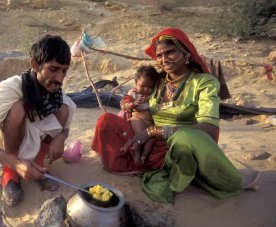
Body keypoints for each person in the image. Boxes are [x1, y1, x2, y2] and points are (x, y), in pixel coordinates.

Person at [91, 27, 260, 203]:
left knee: (183, 137)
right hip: (149, 141)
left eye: (170, 52)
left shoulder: (204, 83)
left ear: (185, 52)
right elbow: (137, 99)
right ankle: (136, 165)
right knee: (106, 120)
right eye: (159, 56)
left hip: (182, 146)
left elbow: (209, 130)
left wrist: (157, 131)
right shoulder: (158, 81)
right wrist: (131, 109)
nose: (164, 59)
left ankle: (175, 170)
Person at [0, 35, 76, 206]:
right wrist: (15, 162)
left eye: (64, 70)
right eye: (53, 69)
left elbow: (66, 127)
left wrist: (60, 137)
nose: (60, 78)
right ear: (35, 65)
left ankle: (39, 167)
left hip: (35, 140)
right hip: (11, 146)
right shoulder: (11, 88)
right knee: (18, 108)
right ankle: (10, 174)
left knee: (64, 108)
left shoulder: (56, 94)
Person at [119, 65, 159, 165]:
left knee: (152, 137)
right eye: (143, 86)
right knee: (139, 136)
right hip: (138, 119)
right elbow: (124, 104)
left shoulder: (154, 94)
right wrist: (133, 104)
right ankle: (137, 154)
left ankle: (144, 155)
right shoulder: (133, 93)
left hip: (151, 122)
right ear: (136, 82)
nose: (146, 89)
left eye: (149, 87)